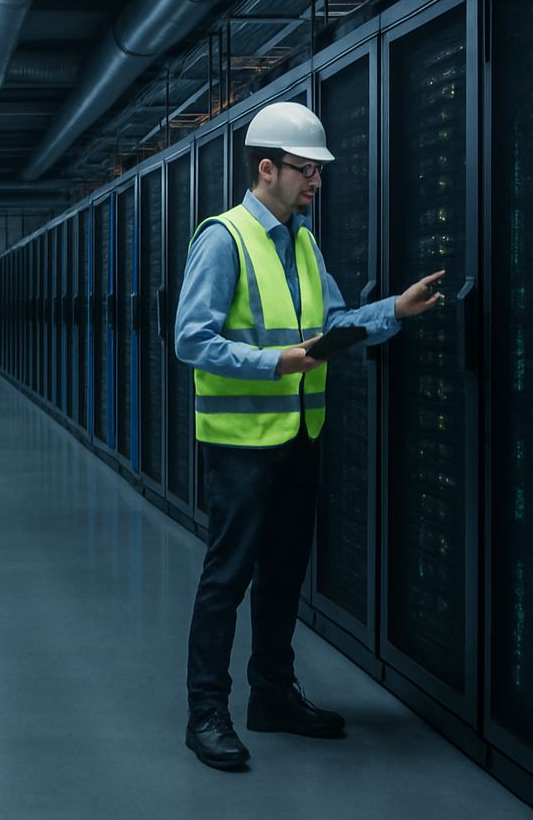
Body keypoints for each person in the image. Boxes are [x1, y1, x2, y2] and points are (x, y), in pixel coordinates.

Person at [172, 100, 444, 770]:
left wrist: (393, 311)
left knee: (284, 573)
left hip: (298, 436)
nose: (316, 181)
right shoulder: (225, 237)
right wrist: (278, 362)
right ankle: (206, 712)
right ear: (266, 169)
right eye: (305, 170)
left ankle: (271, 697)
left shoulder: (303, 240)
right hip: (240, 444)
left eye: (318, 171)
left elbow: (336, 324)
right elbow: (189, 339)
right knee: (227, 578)